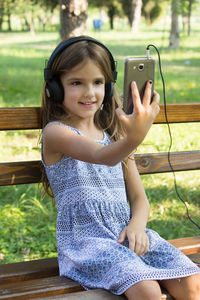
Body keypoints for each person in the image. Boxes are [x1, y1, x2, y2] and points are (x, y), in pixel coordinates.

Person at [41, 36, 200, 300]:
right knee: (146, 289)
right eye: (76, 83)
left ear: (109, 86)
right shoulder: (56, 133)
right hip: (86, 243)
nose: (90, 92)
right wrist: (135, 137)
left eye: (98, 82)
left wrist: (137, 225)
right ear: (55, 89)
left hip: (127, 235)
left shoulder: (115, 136)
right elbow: (102, 156)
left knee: (192, 281)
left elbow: (139, 199)